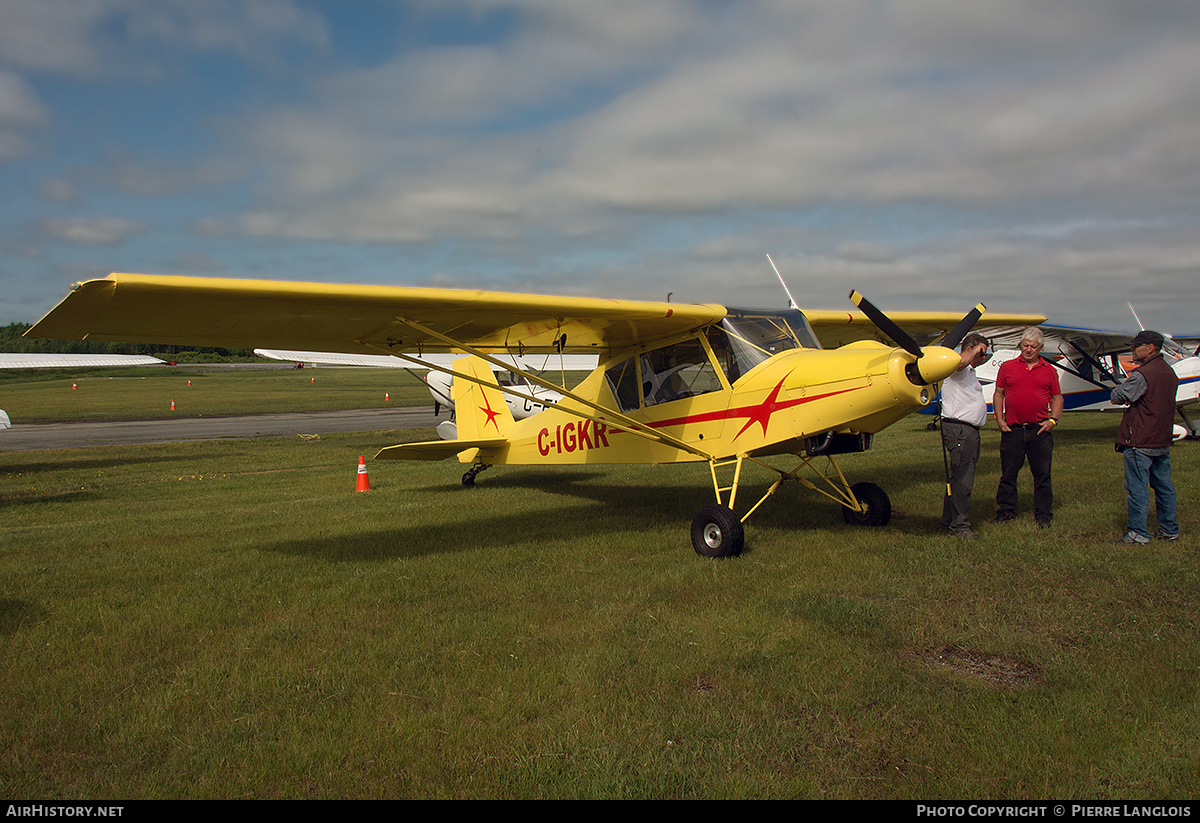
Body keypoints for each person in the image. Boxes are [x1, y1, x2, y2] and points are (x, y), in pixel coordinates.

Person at [1110, 330, 1179, 544]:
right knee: (1164, 486)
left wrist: (1120, 388)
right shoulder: (1169, 372)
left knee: (1137, 487)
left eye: (1136, 345)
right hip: (1162, 438)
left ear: (1150, 348)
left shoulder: (1143, 374)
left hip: (1140, 440)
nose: (1132, 349)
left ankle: (1138, 533)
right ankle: (1169, 529)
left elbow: (1118, 396)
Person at [992, 327, 1064, 527]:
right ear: (1020, 345)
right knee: (1008, 473)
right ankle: (1005, 511)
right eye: (1025, 345)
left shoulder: (1050, 371)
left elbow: (1057, 397)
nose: (1029, 349)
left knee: (1042, 474)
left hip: (1039, 431)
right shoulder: (1007, 367)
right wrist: (1000, 419)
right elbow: (998, 394)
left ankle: (1043, 514)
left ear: (1040, 348)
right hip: (1013, 430)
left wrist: (1053, 420)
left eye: (1033, 346)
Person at [938, 333, 991, 538]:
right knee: (963, 480)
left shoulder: (969, 371)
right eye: (982, 353)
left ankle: (947, 521)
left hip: (967, 431)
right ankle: (959, 527)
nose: (983, 358)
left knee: (958, 476)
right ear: (970, 349)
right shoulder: (958, 368)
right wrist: (973, 351)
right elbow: (959, 362)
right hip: (960, 430)